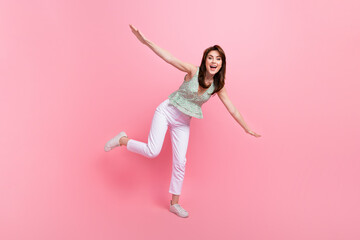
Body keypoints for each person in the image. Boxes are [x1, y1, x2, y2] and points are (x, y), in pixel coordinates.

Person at [104, 24, 261, 218]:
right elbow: (168, 57)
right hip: (166, 111)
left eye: (218, 59)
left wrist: (246, 128)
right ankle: (122, 140)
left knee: (181, 162)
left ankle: (174, 204)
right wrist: (146, 42)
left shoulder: (218, 86)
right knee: (153, 151)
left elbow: (233, 109)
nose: (214, 61)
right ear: (205, 60)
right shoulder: (193, 71)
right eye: (210, 57)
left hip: (183, 122)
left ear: (222, 63)